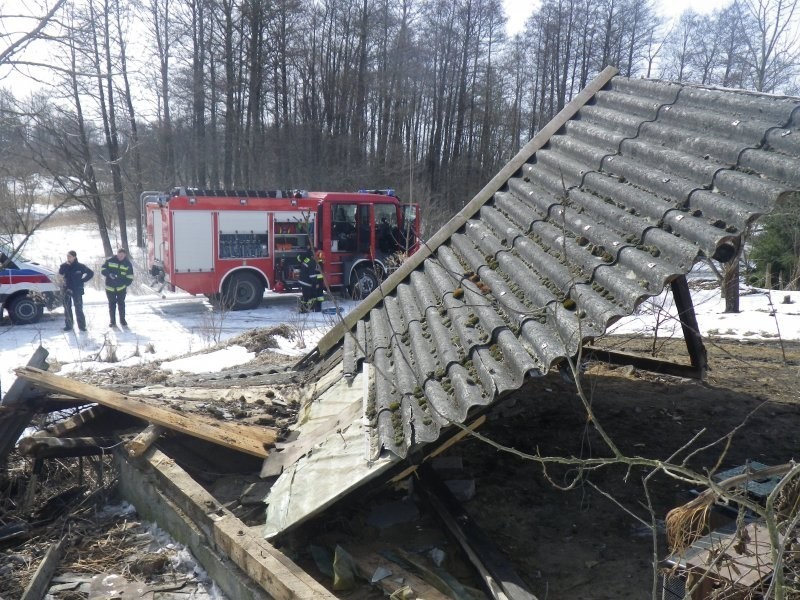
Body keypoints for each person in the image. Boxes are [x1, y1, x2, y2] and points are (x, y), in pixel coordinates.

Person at [58, 250, 94, 331]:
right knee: (67, 308)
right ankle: (69, 325)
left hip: (77, 289)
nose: (68, 258)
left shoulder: (80, 266)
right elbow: (60, 274)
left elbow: (91, 273)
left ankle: (82, 326)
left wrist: (83, 280)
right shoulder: (63, 265)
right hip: (66, 289)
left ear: (74, 257)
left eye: (70, 256)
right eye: (67, 256)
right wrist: (65, 267)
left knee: (78, 308)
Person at [101, 248, 134, 327]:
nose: (120, 257)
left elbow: (130, 277)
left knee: (121, 305)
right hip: (110, 288)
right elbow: (103, 269)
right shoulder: (110, 260)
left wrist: (125, 284)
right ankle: (112, 322)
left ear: (125, 255)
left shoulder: (127, 264)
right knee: (112, 305)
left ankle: (122, 320)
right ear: (117, 254)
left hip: (121, 288)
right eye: (119, 255)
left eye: (122, 256)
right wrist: (109, 274)